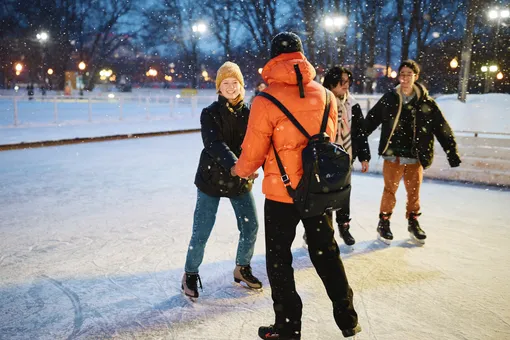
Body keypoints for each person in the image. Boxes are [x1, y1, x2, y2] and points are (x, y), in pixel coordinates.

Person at [233, 32, 360, 340]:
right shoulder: (327, 96)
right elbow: (325, 141)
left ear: (273, 58)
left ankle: (288, 326)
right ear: (302, 58)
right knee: (326, 252)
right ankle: (347, 317)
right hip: (317, 190)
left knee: (279, 259)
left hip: (282, 193)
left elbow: (253, 150)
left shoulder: (265, 100)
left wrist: (241, 171)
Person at [182, 61, 262, 299]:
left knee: (250, 225)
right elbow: (214, 144)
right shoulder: (209, 113)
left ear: (241, 85)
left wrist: (255, 164)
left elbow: (258, 143)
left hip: (240, 180)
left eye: (234, 82)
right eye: (225, 83)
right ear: (218, 87)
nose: (230, 87)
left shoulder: (251, 113)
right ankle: (190, 273)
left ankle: (242, 267)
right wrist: (237, 166)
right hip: (211, 179)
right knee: (202, 229)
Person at [364, 59, 461, 245]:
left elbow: (442, 128)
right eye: (403, 74)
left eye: (409, 74)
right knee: (390, 190)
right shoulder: (390, 99)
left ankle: (413, 222)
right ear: (398, 76)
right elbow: (370, 121)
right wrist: (357, 141)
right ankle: (384, 222)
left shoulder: (427, 102)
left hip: (416, 155)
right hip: (393, 154)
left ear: (416, 77)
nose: (405, 78)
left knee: (414, 191)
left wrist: (451, 151)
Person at [304, 66, 371, 247]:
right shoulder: (321, 102)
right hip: (324, 157)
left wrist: (365, 156)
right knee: (322, 194)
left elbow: (360, 134)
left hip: (345, 156)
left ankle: (344, 225)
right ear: (331, 83)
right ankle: (318, 231)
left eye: (348, 81)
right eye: (342, 82)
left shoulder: (353, 105)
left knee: (343, 192)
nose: (346, 85)